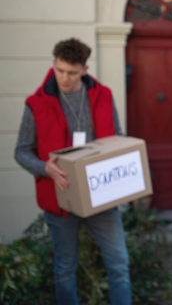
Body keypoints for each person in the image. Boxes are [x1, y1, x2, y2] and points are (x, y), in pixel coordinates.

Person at [14, 38, 131, 305]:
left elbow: (119, 139)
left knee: (119, 266)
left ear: (85, 69)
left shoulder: (104, 96)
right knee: (65, 270)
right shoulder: (36, 104)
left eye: (72, 72)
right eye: (60, 70)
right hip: (59, 198)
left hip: (101, 196)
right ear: (53, 64)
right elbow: (21, 151)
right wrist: (44, 168)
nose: (65, 78)